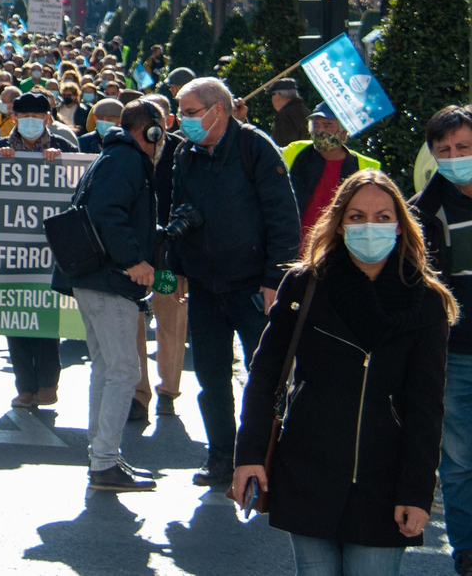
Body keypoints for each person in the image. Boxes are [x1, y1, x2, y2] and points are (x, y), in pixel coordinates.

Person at [233, 171, 454, 574]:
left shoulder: (427, 302)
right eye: (357, 216)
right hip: (306, 473)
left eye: (383, 216)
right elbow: (265, 374)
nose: (370, 226)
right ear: (338, 223)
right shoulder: (306, 284)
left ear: (401, 226)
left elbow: (426, 407)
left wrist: (417, 492)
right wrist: (248, 456)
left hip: (385, 485)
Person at [170, 76, 301, 487]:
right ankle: (221, 456)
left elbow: (283, 217)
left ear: (218, 110)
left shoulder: (255, 147)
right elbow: (177, 210)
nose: (183, 121)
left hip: (253, 287)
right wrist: (177, 268)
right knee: (211, 378)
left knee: (265, 378)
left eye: (191, 113)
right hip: (207, 288)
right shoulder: (186, 154)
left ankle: (267, 455)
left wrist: (275, 280)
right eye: (181, 114)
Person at [51, 101, 164, 492]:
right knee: (124, 371)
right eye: (159, 132)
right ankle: (104, 461)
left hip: (94, 278)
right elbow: (108, 213)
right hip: (110, 279)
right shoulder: (127, 161)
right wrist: (134, 260)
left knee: (105, 367)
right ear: (149, 131)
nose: (161, 141)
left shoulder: (112, 156)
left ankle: (102, 454)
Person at [414, 105, 472, 576]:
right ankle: (467, 549)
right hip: (455, 356)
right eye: (445, 150)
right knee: (459, 461)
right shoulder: (422, 215)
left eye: (464, 148)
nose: (455, 157)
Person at [0, 90, 77, 409]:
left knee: (45, 321)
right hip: (8, 253)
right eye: (24, 117)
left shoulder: (66, 148)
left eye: (37, 117)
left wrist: (60, 165)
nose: (30, 123)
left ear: (48, 119)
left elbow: (76, 194)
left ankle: (48, 383)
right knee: (13, 321)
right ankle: (24, 387)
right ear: (13, 118)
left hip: (48, 255)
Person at [133, 93, 187, 422]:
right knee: (134, 324)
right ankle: (140, 392)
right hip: (134, 257)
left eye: (161, 118)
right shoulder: (127, 150)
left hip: (169, 258)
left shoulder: (186, 151)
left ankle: (169, 390)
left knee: (170, 323)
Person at [283, 103, 382, 241]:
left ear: (343, 133)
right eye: (316, 125)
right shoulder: (295, 151)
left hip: (337, 247)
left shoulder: (365, 167)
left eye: (327, 125)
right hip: (291, 245)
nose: (320, 130)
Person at [268, 77, 311, 147]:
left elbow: (281, 145)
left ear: (277, 96)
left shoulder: (284, 115)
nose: (271, 99)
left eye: (271, 95)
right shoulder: (306, 111)